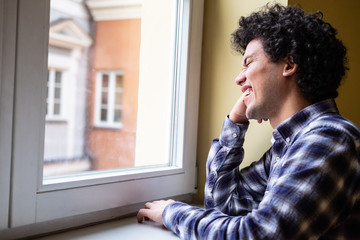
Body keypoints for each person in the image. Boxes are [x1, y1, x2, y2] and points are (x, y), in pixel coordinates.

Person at [137, 3, 360, 239]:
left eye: (249, 63)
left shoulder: (330, 138)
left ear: (289, 65)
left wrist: (172, 212)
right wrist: (236, 122)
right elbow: (223, 204)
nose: (238, 78)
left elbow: (255, 235)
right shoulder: (288, 147)